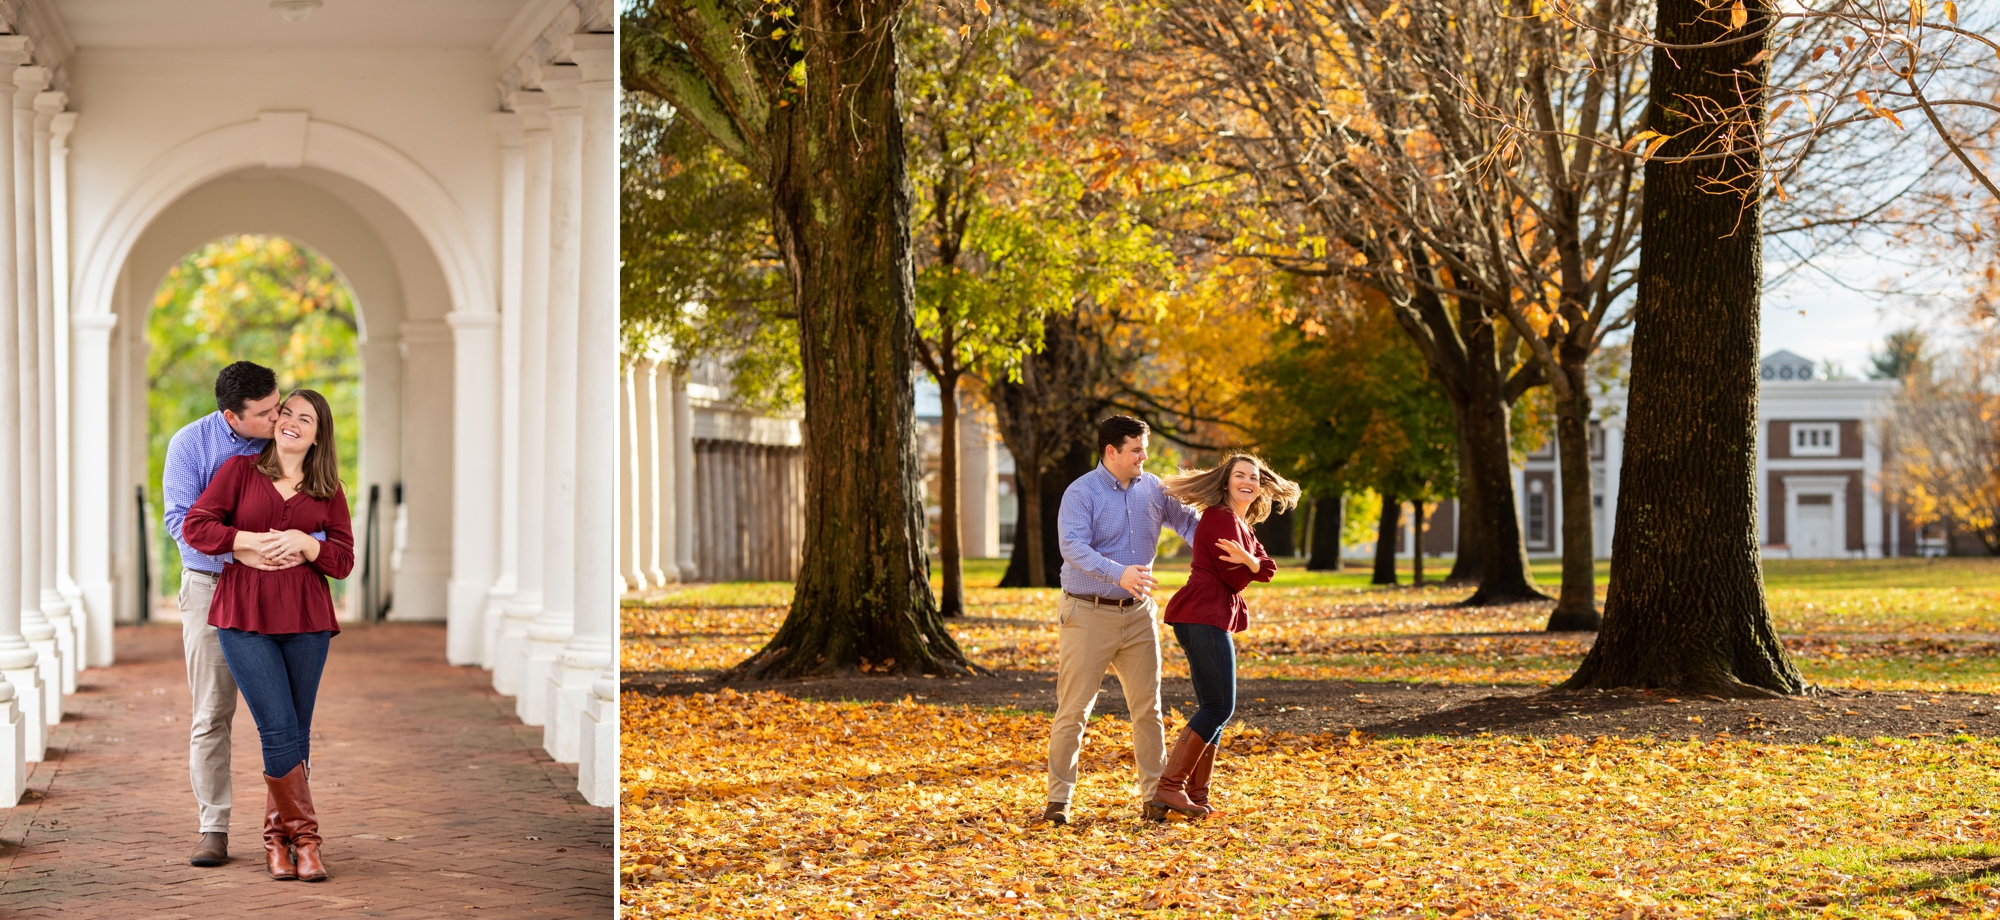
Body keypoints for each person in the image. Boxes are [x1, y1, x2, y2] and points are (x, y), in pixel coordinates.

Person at [183, 388, 354, 882]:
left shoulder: (329, 490)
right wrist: (241, 542)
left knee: (295, 733)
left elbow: (343, 560)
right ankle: (308, 839)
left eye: (306, 418)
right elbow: (197, 525)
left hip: (307, 621)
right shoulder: (239, 473)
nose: (292, 422)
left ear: (319, 435)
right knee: (277, 728)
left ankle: (278, 842)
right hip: (244, 618)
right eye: (287, 413)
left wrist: (306, 543)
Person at [164, 361, 308, 869]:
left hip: (280, 591)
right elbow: (180, 523)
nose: (278, 418)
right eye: (266, 413)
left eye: (279, 405)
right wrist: (240, 550)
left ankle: (290, 830)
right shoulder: (191, 445)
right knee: (212, 713)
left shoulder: (289, 443)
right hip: (210, 589)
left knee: (288, 721)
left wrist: (302, 547)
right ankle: (213, 828)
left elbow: (321, 513)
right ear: (231, 415)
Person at [1043, 415, 1201, 825]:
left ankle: (1156, 797)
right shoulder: (1082, 492)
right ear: (1111, 452)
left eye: (1144, 448)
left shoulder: (1153, 488)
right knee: (1074, 710)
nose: (1144, 456)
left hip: (1138, 617)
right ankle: (1059, 801)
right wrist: (1119, 572)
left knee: (1148, 709)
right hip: (1087, 612)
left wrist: (1225, 544)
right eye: (1136, 449)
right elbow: (1072, 546)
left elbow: (1187, 523)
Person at [1149, 454, 1298, 822]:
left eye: (1253, 477)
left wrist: (1249, 560)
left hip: (1209, 616)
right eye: (1239, 476)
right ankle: (1170, 787)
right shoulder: (1219, 518)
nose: (1247, 481)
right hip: (1203, 614)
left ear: (1260, 486)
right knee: (1219, 707)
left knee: (1214, 707)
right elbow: (1236, 579)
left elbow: (1267, 569)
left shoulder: (1241, 525)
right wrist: (1250, 563)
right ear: (1226, 482)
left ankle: (1196, 794)